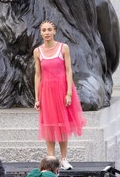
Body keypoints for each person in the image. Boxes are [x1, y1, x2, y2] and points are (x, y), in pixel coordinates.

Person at [33, 20, 86, 170]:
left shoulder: (63, 48)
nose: (47, 32)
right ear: (41, 33)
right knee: (49, 126)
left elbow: (69, 70)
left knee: (62, 126)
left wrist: (69, 92)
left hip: (62, 90)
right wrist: (37, 97)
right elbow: (38, 74)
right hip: (46, 92)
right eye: (44, 30)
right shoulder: (38, 51)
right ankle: (51, 160)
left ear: (54, 31)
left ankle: (63, 159)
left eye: (49, 29)